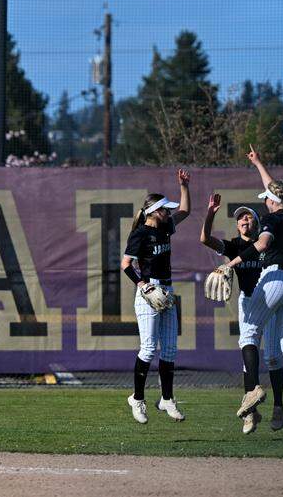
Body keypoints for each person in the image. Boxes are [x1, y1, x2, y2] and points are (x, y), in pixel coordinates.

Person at [220, 147, 283, 433]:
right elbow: (275, 191)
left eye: (267, 200)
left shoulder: (272, 220)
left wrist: (230, 264)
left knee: (248, 333)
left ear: (274, 202)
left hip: (273, 279)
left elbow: (261, 245)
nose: (266, 204)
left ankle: (254, 391)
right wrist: (258, 163)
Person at [200, 193, 283, 433]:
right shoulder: (235, 245)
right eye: (240, 219)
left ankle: (278, 407)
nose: (244, 220)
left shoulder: (266, 243)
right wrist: (210, 213)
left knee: (274, 357)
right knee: (248, 359)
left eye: (248, 217)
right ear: (237, 226)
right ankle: (251, 412)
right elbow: (205, 238)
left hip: (270, 301)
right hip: (247, 301)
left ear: (257, 223)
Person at [120, 169, 191, 424]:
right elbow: (126, 264)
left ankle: (167, 399)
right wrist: (141, 284)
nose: (169, 213)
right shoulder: (140, 233)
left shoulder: (166, 227)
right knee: (149, 348)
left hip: (167, 291)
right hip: (148, 291)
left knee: (170, 349)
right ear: (154, 212)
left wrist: (184, 186)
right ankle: (137, 399)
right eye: (165, 210)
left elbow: (185, 210)